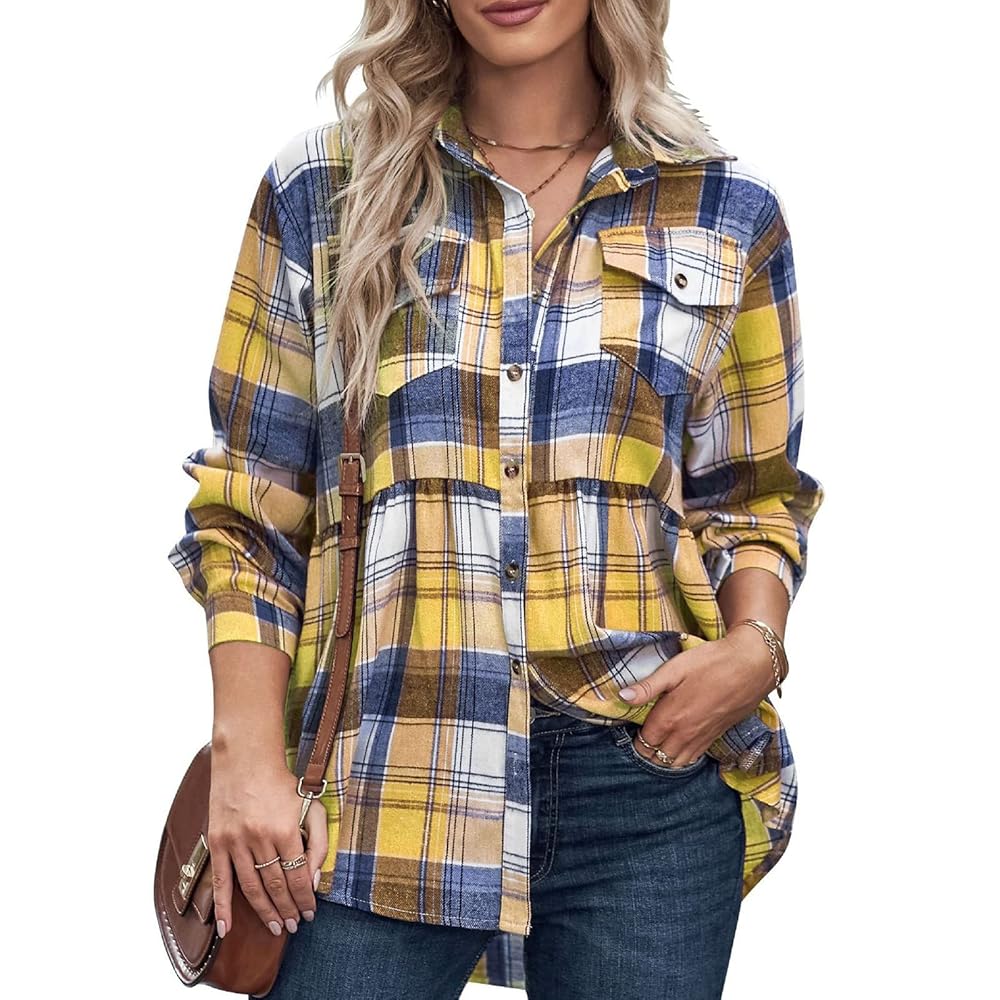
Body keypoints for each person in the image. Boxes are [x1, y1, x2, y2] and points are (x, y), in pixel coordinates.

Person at [166, 1, 825, 997]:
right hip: (387, 778)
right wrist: (247, 757)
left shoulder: (723, 208)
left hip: (645, 781)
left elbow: (752, 496)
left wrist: (754, 646)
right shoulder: (324, 190)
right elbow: (250, 510)